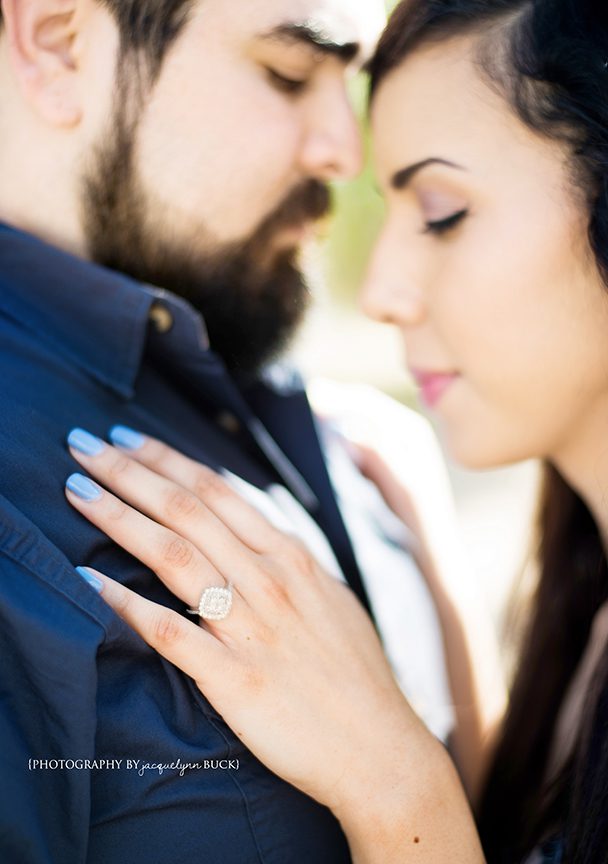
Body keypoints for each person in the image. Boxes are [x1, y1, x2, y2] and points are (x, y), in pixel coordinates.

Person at [62, 0, 608, 862]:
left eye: (442, 212)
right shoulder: (583, 602)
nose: (382, 289)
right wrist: (438, 582)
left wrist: (394, 784)